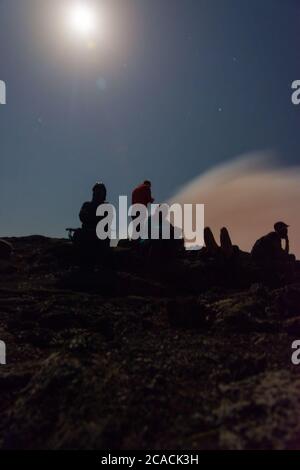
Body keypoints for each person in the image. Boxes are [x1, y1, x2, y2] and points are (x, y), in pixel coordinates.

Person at [75, 182, 111, 266]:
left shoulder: (107, 207)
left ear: (104, 194)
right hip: (86, 232)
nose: (98, 193)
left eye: (100, 191)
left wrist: (91, 219)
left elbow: (105, 222)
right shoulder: (86, 204)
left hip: (100, 235)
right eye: (96, 190)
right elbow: (82, 216)